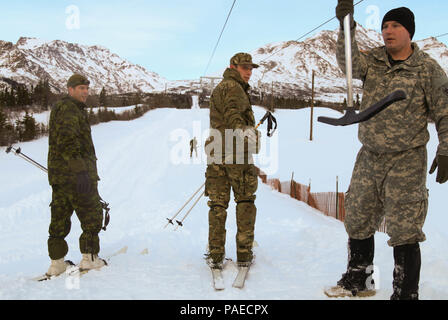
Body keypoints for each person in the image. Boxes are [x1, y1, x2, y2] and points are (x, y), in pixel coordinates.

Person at [327, 2, 448, 300]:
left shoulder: (427, 69)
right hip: (370, 154)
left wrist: (446, 147)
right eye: (384, 27)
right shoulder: (374, 61)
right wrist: (347, 26)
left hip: (407, 158)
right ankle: (360, 281)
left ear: (409, 31)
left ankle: (405, 293)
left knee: (405, 226)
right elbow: (347, 62)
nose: (387, 32)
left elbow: (445, 112)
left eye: (395, 26)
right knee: (357, 215)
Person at [204, 53, 261, 270]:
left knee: (218, 206)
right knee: (245, 202)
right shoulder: (233, 88)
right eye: (245, 67)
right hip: (237, 156)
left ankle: (216, 255)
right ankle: (244, 254)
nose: (248, 72)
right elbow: (233, 114)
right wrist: (244, 133)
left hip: (217, 155)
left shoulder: (222, 87)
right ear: (233, 67)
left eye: (251, 68)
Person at [46, 74, 107, 276]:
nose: (84, 92)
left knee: (60, 217)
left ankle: (57, 263)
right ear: (70, 89)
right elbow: (67, 141)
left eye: (86, 88)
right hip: (75, 176)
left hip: (60, 177)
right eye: (80, 88)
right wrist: (81, 172)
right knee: (91, 214)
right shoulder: (69, 109)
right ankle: (89, 259)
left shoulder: (62, 108)